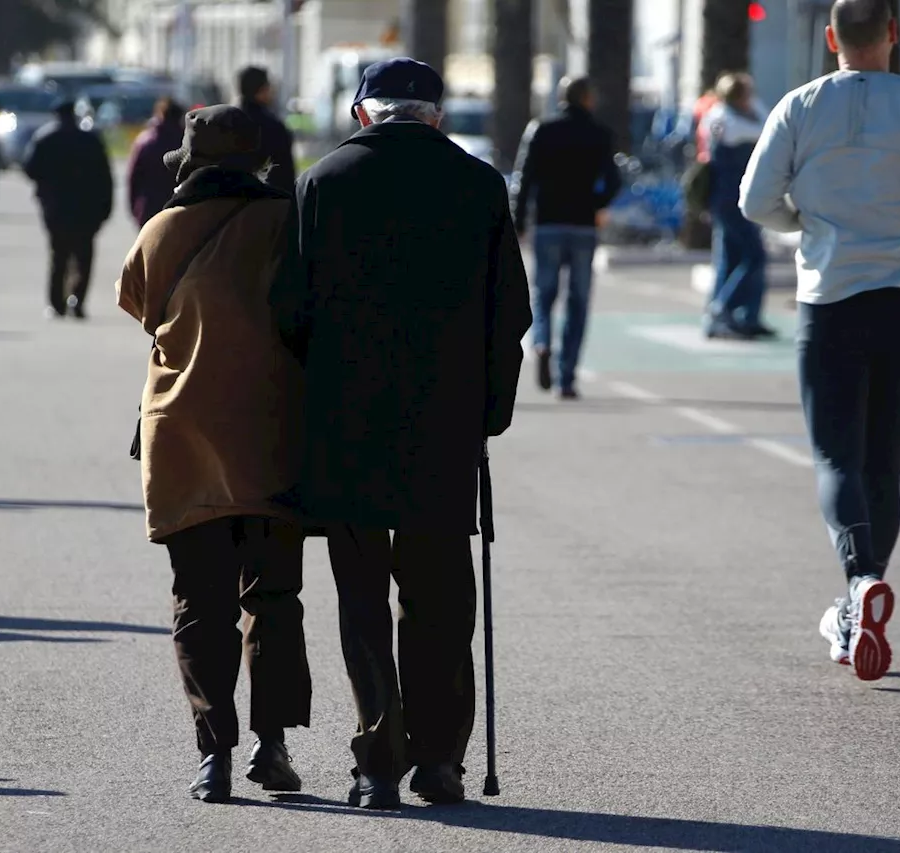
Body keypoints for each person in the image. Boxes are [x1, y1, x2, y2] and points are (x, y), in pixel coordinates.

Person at [271, 57, 531, 809]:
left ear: (363, 113)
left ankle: (376, 758)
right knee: (441, 595)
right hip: (444, 426)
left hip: (345, 425)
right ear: (436, 116)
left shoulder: (322, 182)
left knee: (361, 596)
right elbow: (508, 312)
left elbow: (288, 308)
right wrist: (489, 409)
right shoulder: (479, 185)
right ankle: (442, 759)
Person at [740, 0, 900, 681]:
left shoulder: (800, 105)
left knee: (835, 457)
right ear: (894, 34)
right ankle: (857, 609)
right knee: (884, 460)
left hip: (832, 294)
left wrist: (810, 224)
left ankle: (858, 584)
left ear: (829, 39)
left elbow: (754, 200)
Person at [116, 104, 311, 805]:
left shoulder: (159, 231)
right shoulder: (287, 223)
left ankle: (214, 755)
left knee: (199, 601)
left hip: (184, 436)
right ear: (257, 161)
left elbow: (138, 306)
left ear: (190, 165)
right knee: (273, 595)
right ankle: (273, 744)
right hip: (272, 431)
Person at [512, 77, 621, 400]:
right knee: (578, 301)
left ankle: (542, 343)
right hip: (583, 224)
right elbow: (614, 179)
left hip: (547, 223)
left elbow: (524, 176)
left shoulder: (542, 130)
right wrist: (597, 204)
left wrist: (518, 221)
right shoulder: (599, 133)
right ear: (587, 99)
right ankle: (567, 377)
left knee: (543, 295)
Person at [23, 98, 114, 320]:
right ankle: (78, 300)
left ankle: (57, 304)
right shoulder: (90, 140)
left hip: (56, 208)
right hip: (86, 208)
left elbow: (29, 168)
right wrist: (105, 207)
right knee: (84, 257)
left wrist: (46, 185)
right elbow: (105, 177)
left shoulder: (45, 138)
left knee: (58, 256)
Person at [703, 72, 774, 339]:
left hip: (744, 196)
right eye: (746, 94)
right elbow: (763, 130)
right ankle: (721, 310)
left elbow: (765, 123)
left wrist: (752, 103)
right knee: (753, 256)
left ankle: (746, 317)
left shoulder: (744, 112)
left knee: (734, 258)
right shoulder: (723, 118)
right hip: (729, 199)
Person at [125, 97, 185, 228]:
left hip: (149, 210)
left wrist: (135, 208)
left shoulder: (145, 142)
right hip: (181, 212)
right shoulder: (186, 144)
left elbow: (133, 178)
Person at [236, 67, 296, 193]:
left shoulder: (227, 121)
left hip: (228, 201)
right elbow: (284, 175)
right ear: (261, 90)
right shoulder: (273, 127)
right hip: (266, 203)